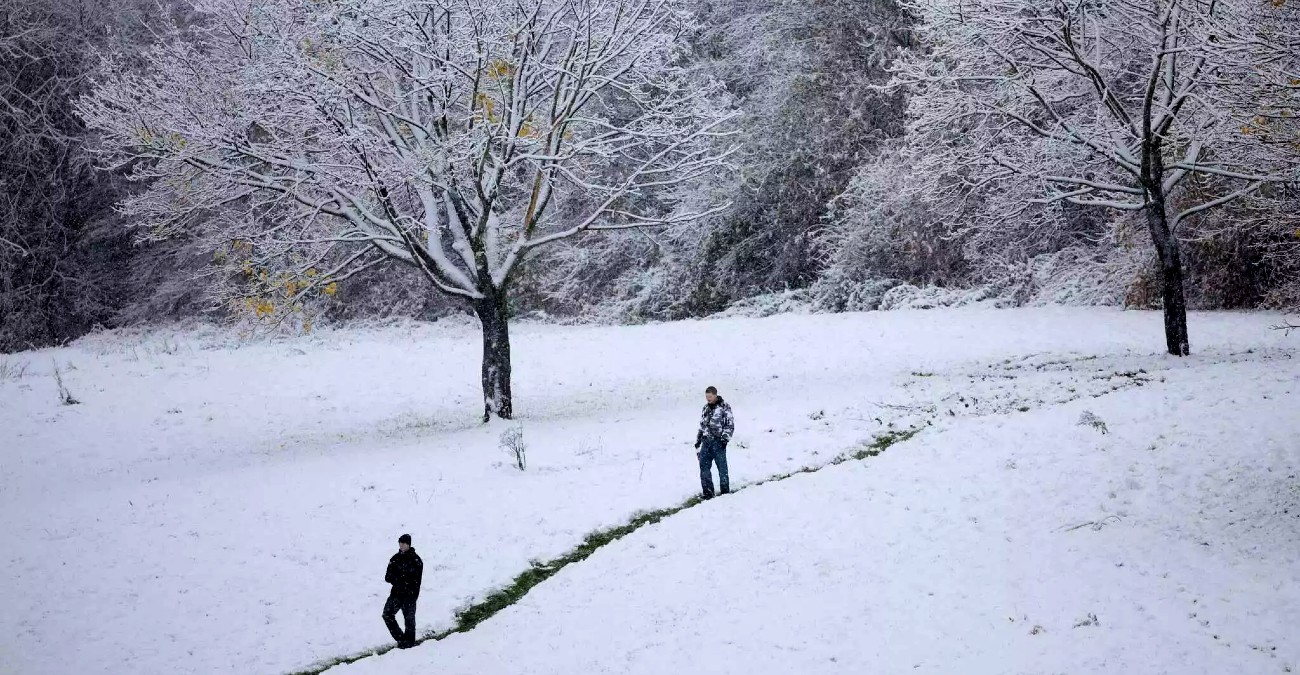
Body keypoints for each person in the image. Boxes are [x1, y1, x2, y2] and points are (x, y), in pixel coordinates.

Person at [382, 533, 423, 649]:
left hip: (410, 596)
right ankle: (401, 639)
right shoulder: (395, 559)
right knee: (387, 615)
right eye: (400, 543)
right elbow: (387, 577)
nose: (401, 545)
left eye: (404, 543)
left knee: (409, 620)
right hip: (396, 594)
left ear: (408, 544)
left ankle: (409, 643)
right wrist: (399, 580)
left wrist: (401, 580)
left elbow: (415, 581)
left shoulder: (416, 560)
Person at [694, 386, 735, 499]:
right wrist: (698, 440)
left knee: (722, 469)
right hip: (706, 442)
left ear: (715, 395)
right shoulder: (705, 409)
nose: (708, 399)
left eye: (710, 397)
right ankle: (708, 493)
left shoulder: (724, 407)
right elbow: (702, 426)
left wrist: (724, 440)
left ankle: (725, 492)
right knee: (704, 468)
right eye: (707, 397)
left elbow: (730, 425)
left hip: (718, 443)